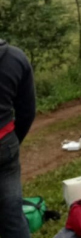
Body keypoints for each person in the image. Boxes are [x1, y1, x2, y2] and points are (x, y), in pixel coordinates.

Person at [0, 39, 36, 238]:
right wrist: (12, 142)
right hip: (5, 145)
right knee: (12, 214)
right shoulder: (15, 57)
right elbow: (27, 111)